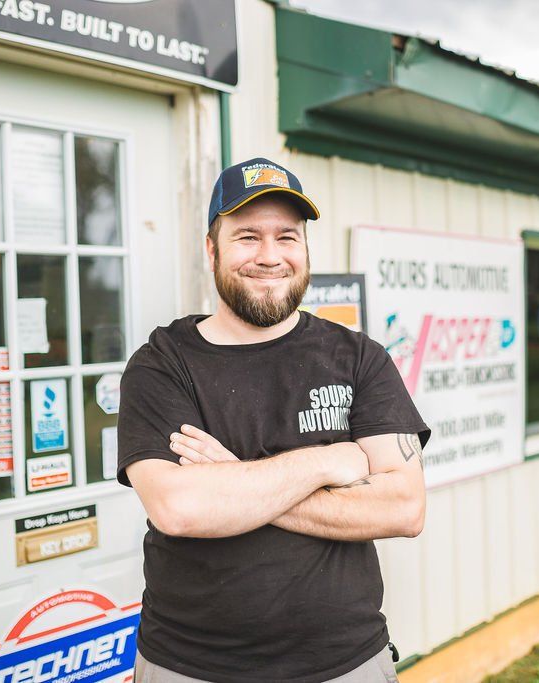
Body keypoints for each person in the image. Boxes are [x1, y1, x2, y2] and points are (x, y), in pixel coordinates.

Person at [117, 157, 431, 683]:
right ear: (212, 249)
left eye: (287, 237)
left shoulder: (359, 358)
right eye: (247, 237)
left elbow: (404, 507)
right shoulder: (162, 364)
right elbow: (180, 508)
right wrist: (326, 463)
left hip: (348, 663)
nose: (269, 256)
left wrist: (233, 481)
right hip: (190, 666)